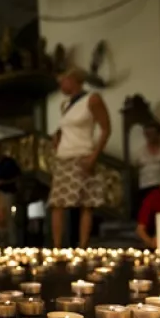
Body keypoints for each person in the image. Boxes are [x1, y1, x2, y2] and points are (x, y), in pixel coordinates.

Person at [48, 67, 111, 248]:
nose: (60, 84)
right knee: (57, 203)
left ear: (74, 79)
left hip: (83, 154)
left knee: (86, 203)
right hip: (64, 156)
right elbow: (68, 126)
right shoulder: (66, 104)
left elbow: (106, 129)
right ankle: (57, 247)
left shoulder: (92, 99)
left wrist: (94, 156)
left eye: (63, 80)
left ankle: (83, 246)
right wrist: (58, 135)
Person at [0, 144, 22, 246]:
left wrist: (4, 182)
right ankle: (2, 242)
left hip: (9, 192)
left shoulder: (9, 162)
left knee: (9, 219)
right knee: (0, 218)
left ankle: (13, 243)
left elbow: (18, 176)